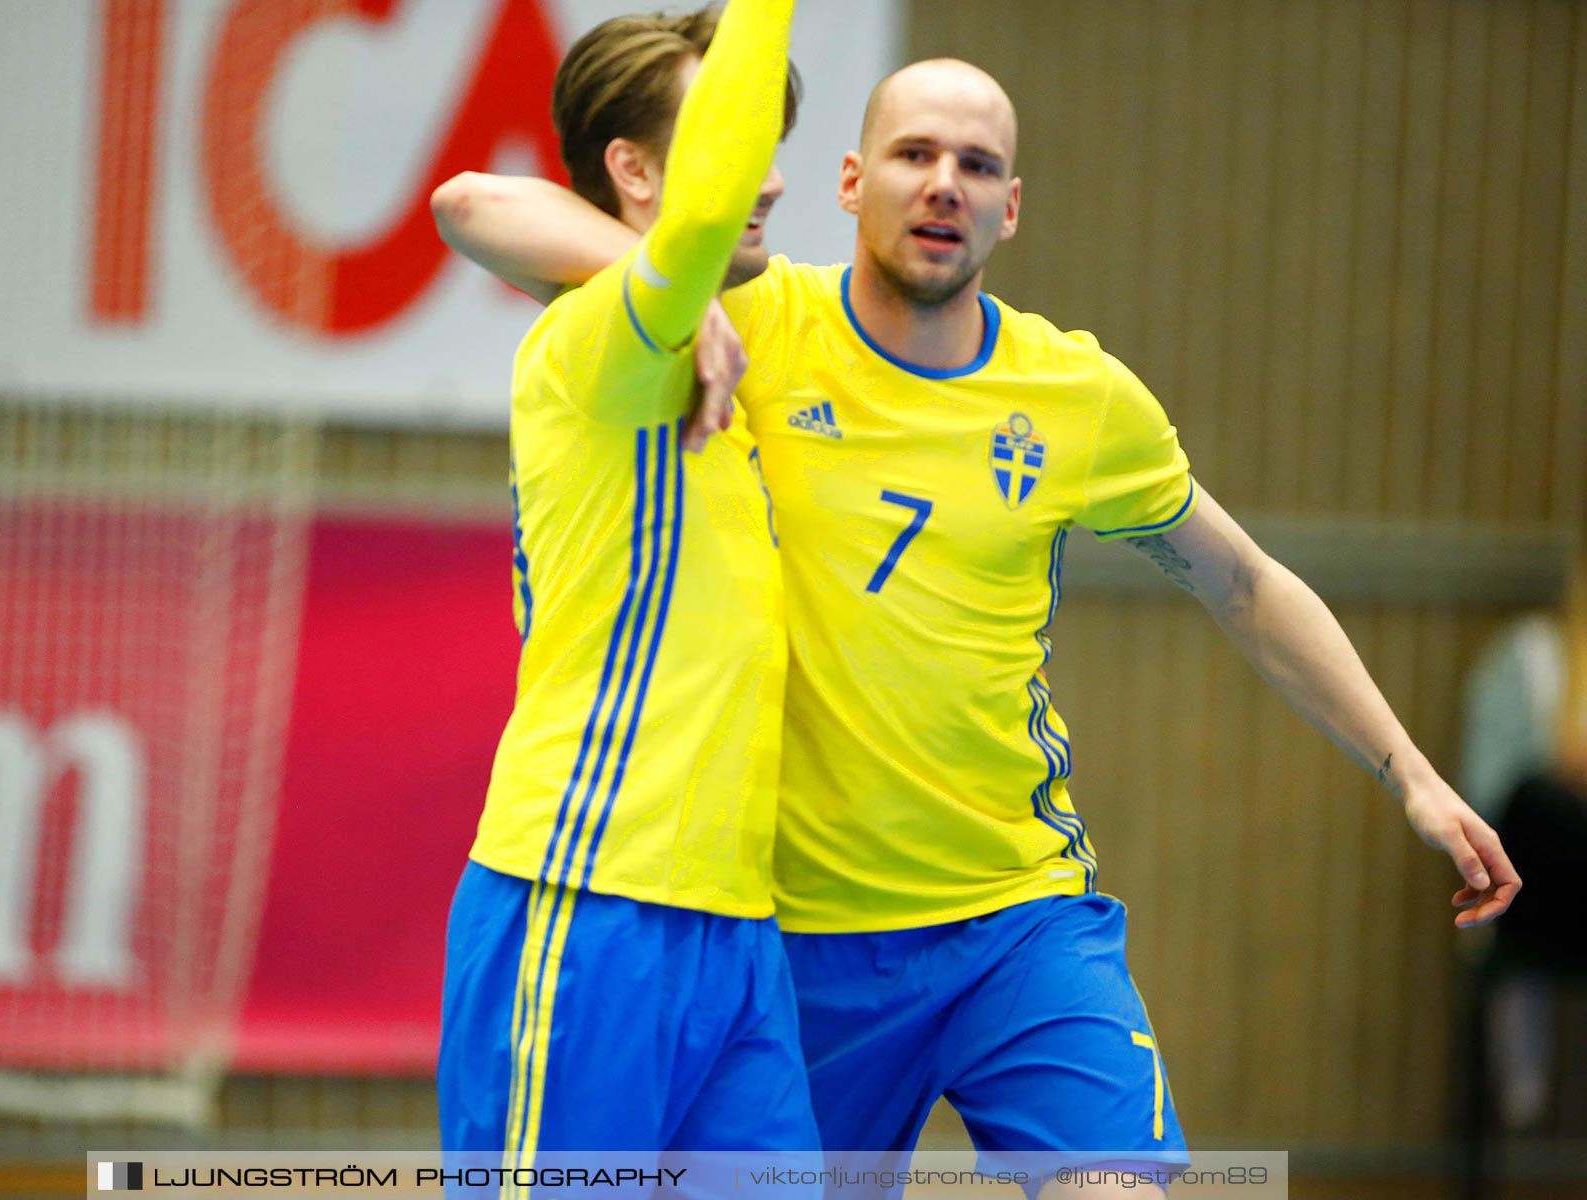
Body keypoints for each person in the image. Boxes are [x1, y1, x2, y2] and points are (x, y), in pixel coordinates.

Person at [435, 55, 1521, 1197]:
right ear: (850, 182)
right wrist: (674, 281)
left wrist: (1410, 774)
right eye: (915, 155)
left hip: (1014, 918)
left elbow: (1242, 581)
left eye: (978, 165)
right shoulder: (752, 317)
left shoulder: (1077, 396)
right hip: (795, 938)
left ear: (1014, 206)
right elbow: (482, 206)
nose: (945, 183)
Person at [430, 0, 820, 1161]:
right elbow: (468, 202)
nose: (771, 184)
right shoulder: (608, 337)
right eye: (735, 147)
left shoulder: (732, 345)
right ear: (634, 172)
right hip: (587, 903)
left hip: (737, 931)